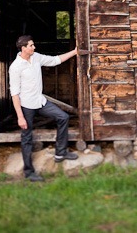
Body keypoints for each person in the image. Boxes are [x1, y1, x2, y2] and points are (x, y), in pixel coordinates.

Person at [9, 34, 82, 181]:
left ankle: (60, 152)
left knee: (63, 117)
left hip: (40, 101)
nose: (34, 47)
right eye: (31, 45)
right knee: (26, 137)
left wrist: (74, 52)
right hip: (26, 106)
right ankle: (29, 172)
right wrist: (20, 117)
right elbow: (15, 94)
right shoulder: (15, 67)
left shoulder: (36, 57)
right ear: (24, 48)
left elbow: (55, 60)